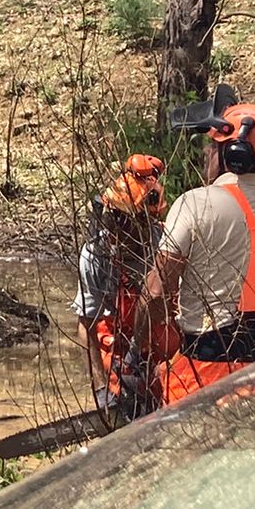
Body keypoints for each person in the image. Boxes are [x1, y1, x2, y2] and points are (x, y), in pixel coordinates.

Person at [143, 94, 255, 405]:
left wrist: (139, 348)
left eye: (212, 145)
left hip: (209, 366)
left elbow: (156, 293)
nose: (207, 152)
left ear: (234, 152)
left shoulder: (195, 203)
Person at [71, 154, 175, 420]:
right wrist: (101, 387)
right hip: (120, 359)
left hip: (166, 359)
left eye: (124, 220)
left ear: (146, 220)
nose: (116, 227)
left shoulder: (169, 248)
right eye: (113, 217)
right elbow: (87, 323)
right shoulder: (96, 254)